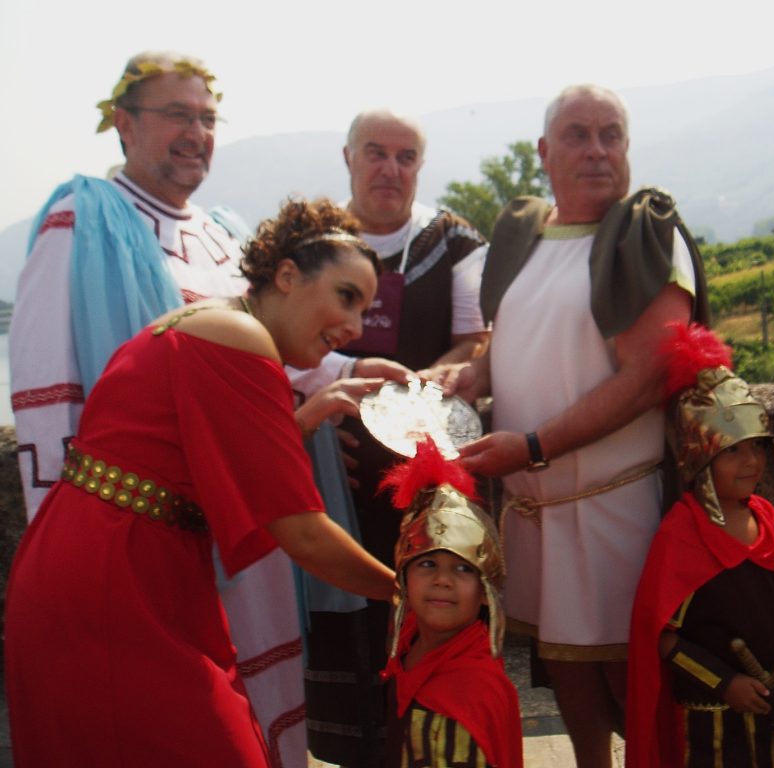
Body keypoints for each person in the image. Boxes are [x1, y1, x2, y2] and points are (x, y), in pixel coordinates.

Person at [4, 199, 397, 767]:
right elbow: (304, 534)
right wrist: (406, 591)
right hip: (114, 578)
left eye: (364, 309)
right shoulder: (239, 338)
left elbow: (196, 457)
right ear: (288, 276)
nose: (356, 326)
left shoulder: (210, 323)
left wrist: (306, 417)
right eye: (346, 296)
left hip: (118, 563)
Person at [7, 52, 316, 764]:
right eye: (177, 115)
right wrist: (70, 568)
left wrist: (352, 372)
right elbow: (47, 394)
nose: (197, 134)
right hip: (135, 550)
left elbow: (271, 353)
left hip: (237, 532)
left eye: (207, 118)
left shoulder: (226, 236)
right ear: (124, 123)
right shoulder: (79, 221)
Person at [440, 84, 709, 767]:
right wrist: (477, 374)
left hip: (618, 507)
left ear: (627, 146)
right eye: (577, 135)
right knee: (565, 665)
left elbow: (647, 377)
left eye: (610, 135)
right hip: (536, 510)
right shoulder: (525, 238)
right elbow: (523, 337)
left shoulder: (645, 237)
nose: (596, 151)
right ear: (543, 151)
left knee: (634, 679)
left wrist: (532, 447)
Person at [300, 108, 490, 766]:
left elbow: (476, 341)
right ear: (348, 158)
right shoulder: (315, 244)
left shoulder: (455, 242)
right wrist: (330, 406)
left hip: (430, 474)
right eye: (376, 153)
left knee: (433, 616)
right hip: (335, 472)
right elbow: (279, 342)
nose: (390, 169)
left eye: (406, 157)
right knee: (348, 630)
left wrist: (427, 384)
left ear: (420, 166)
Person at [627, 323, 774, 768]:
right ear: (700, 453)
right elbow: (664, 638)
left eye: (757, 446)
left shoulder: (769, 522)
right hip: (711, 727)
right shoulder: (681, 536)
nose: (752, 461)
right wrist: (725, 683)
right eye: (733, 450)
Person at [378, 438, 522, 768]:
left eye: (463, 569)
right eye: (428, 564)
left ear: (485, 592)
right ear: (404, 578)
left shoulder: (461, 701)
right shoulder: (412, 640)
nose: (443, 580)